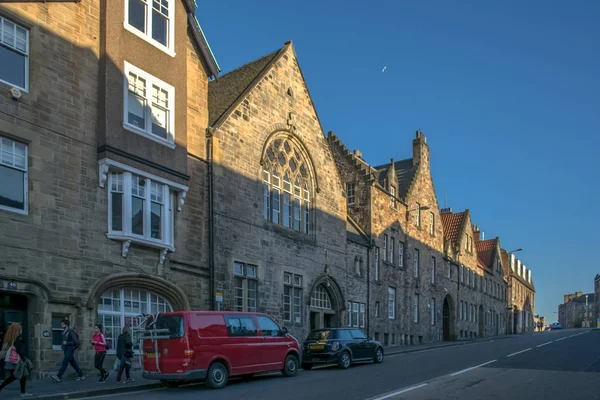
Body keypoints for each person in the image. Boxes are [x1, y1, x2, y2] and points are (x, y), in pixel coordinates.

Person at [0, 323, 33, 397]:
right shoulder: (17, 338)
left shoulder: (9, 338)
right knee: (18, 375)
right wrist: (24, 359)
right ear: (17, 330)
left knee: (18, 375)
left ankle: (23, 392)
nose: (21, 330)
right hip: (17, 360)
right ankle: (23, 392)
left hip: (10, 359)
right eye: (20, 328)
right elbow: (18, 350)